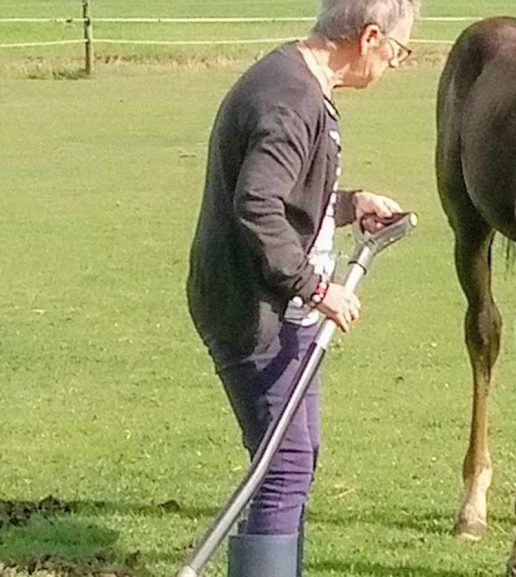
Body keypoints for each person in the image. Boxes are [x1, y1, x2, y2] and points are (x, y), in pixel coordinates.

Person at [186, 1, 419, 574]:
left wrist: (347, 205)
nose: (394, 63)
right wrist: (318, 289)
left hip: (281, 310)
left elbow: (283, 197)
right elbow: (258, 207)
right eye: (397, 50)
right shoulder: (290, 99)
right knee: (282, 466)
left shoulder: (299, 83)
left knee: (294, 458)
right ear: (368, 38)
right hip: (253, 310)